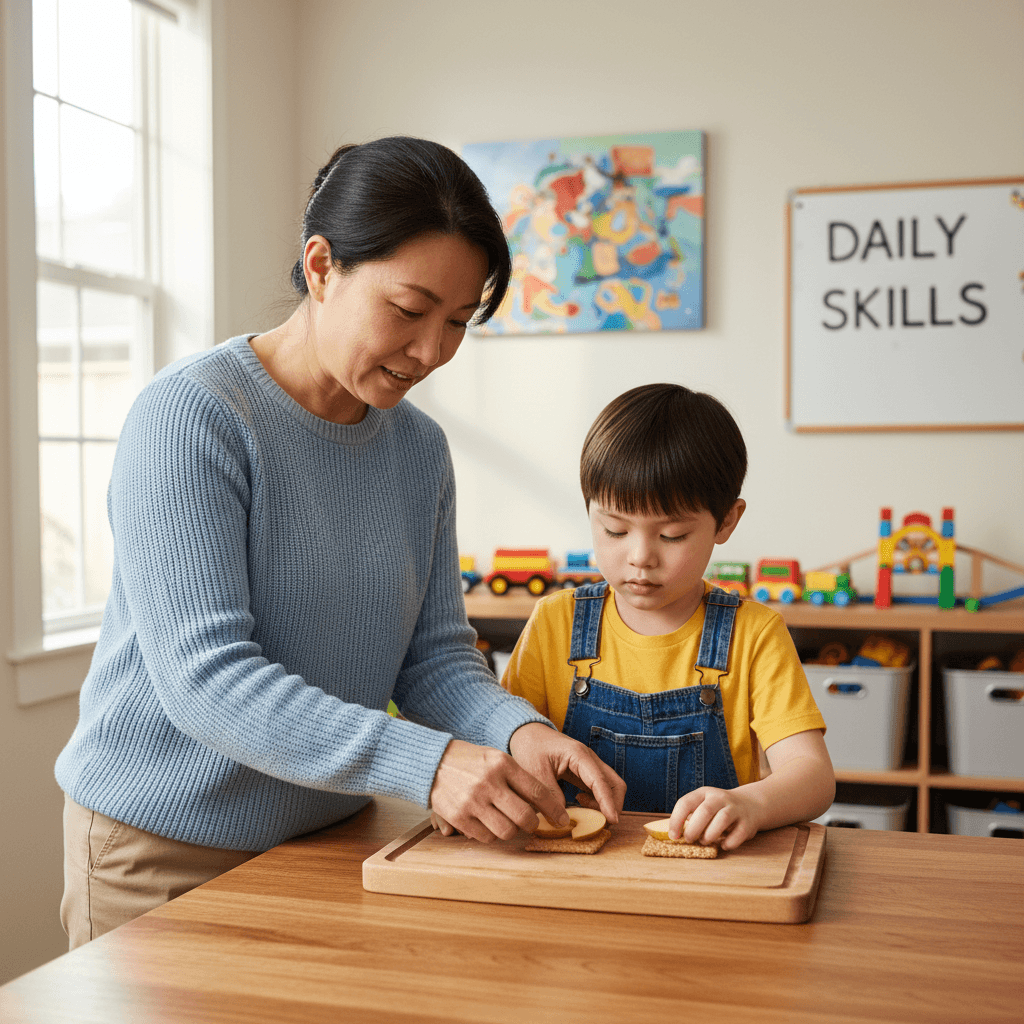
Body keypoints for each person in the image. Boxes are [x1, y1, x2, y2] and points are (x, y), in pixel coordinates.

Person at [55, 136, 625, 949]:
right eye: (409, 310)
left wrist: (518, 733)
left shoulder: (418, 449)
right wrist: (429, 765)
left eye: (459, 322)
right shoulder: (193, 419)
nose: (432, 351)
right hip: (161, 852)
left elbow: (431, 659)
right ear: (321, 267)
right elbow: (206, 680)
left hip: (332, 840)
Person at [501, 383, 835, 851]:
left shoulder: (754, 634)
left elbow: (814, 776)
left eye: (673, 534)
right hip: (576, 871)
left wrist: (753, 805)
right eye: (615, 529)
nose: (640, 557)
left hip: (707, 874)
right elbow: (505, 743)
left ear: (726, 521)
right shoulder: (556, 622)